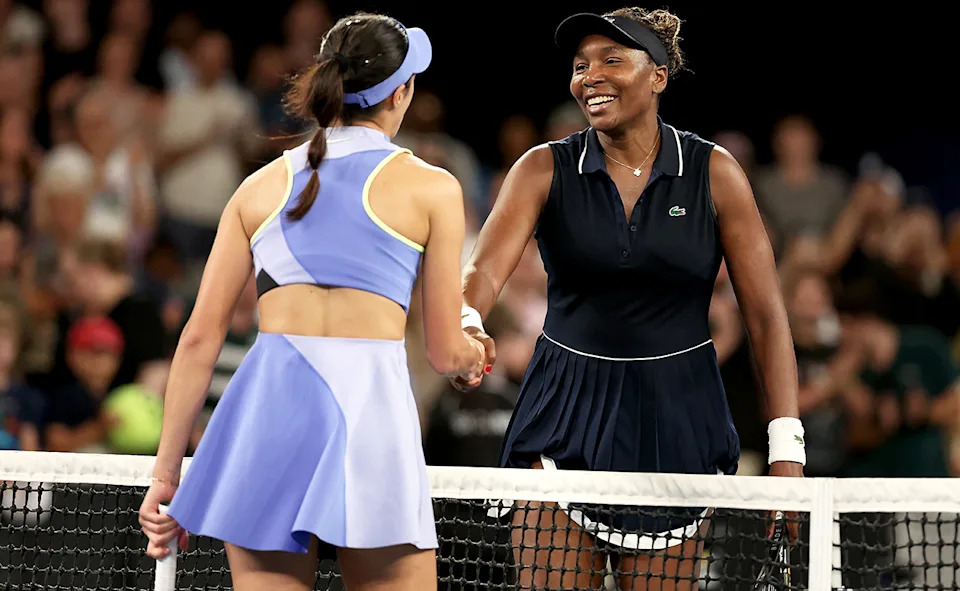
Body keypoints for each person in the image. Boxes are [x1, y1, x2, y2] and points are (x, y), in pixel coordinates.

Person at [138, 13, 488, 591]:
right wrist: (475, 355)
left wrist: (166, 474)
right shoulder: (433, 187)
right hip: (369, 417)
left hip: (268, 416)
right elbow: (448, 355)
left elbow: (199, 339)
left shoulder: (258, 186)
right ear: (401, 94)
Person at [458, 8, 804, 589]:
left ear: (659, 76)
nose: (590, 75)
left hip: (676, 420)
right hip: (560, 418)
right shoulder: (542, 168)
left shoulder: (715, 174)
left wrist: (786, 448)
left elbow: (767, 318)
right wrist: (467, 320)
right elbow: (482, 271)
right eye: (580, 65)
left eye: (611, 60)